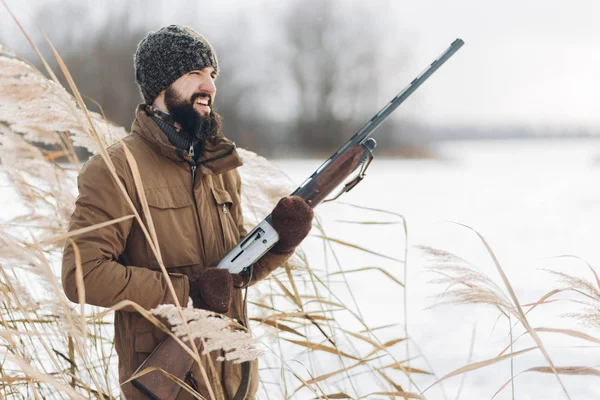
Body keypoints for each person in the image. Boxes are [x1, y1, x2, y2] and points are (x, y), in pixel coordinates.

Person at [62, 25, 314, 399]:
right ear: (160, 85)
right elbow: (82, 274)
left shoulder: (219, 166)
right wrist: (187, 291)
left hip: (235, 377)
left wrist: (280, 241)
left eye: (212, 75)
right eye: (195, 73)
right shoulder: (116, 168)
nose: (210, 86)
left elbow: (232, 274)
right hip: (168, 385)